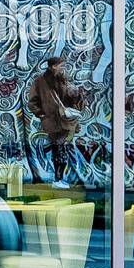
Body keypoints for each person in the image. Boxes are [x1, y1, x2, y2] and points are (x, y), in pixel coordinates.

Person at [27, 56, 83, 190]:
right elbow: (32, 101)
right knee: (59, 149)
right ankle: (58, 179)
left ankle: (59, 179)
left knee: (61, 149)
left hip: (65, 119)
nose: (63, 68)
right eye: (60, 65)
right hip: (52, 120)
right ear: (53, 66)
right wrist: (41, 114)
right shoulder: (40, 81)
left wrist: (75, 96)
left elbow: (71, 97)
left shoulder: (63, 79)